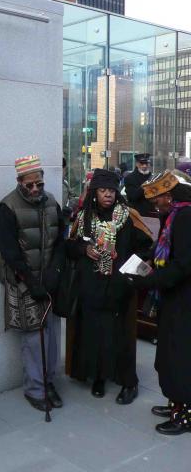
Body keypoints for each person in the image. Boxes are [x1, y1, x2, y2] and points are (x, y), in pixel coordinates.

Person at [66, 169, 152, 404]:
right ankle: (99, 377)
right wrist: (85, 250)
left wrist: (129, 270)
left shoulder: (129, 215)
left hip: (120, 286)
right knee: (95, 333)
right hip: (92, 286)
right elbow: (70, 248)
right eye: (103, 191)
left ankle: (128, 382)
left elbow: (147, 247)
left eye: (112, 191)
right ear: (94, 193)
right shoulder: (84, 218)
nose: (108, 195)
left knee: (122, 335)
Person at [0, 155, 65, 412]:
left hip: (49, 278)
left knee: (53, 335)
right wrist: (31, 281)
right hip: (24, 281)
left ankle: (49, 381)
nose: (35, 189)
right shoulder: (7, 207)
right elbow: (9, 251)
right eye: (29, 185)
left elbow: (61, 239)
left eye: (38, 183)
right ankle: (36, 389)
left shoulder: (52, 201)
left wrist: (55, 271)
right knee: (34, 337)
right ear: (19, 182)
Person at [126, 171, 191, 434]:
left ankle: (185, 414)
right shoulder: (174, 215)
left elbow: (182, 265)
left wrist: (148, 281)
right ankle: (176, 402)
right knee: (168, 354)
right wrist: (147, 263)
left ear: (167, 195)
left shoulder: (186, 217)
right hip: (173, 297)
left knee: (180, 357)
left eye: (157, 201)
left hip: (184, 300)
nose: (155, 205)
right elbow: (163, 253)